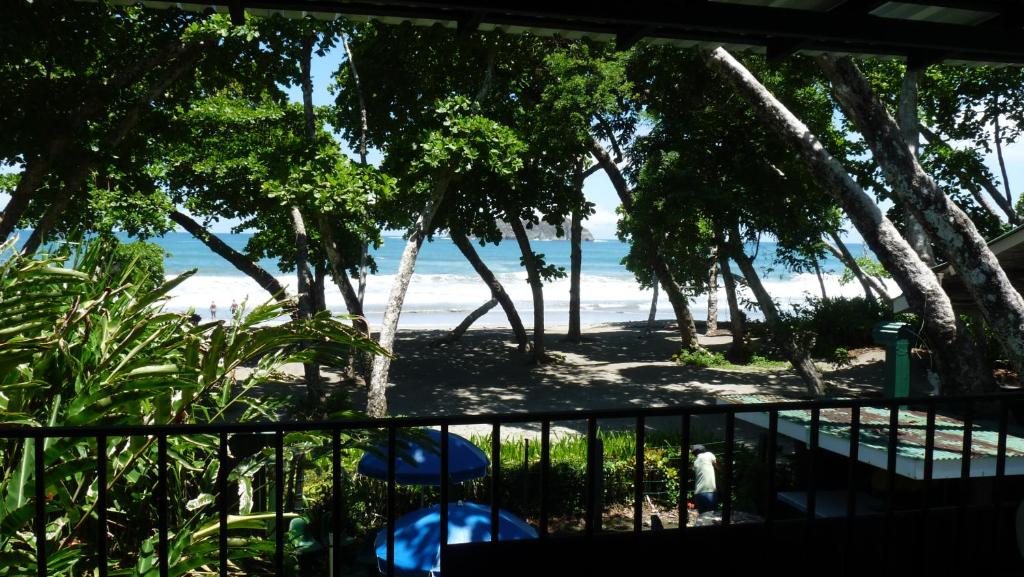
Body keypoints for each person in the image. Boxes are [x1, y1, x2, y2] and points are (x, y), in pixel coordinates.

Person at [691, 444, 718, 514]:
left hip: (698, 494)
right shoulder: (709, 455)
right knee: (712, 516)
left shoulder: (695, 462)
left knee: (703, 517)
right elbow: (718, 466)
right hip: (709, 492)